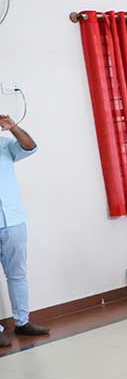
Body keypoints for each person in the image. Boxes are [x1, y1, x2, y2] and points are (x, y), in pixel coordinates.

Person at [0, 114, 46, 347]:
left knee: (17, 274)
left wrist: (13, 127)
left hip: (13, 220)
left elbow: (30, 147)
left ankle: (22, 322)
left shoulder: (4, 144)